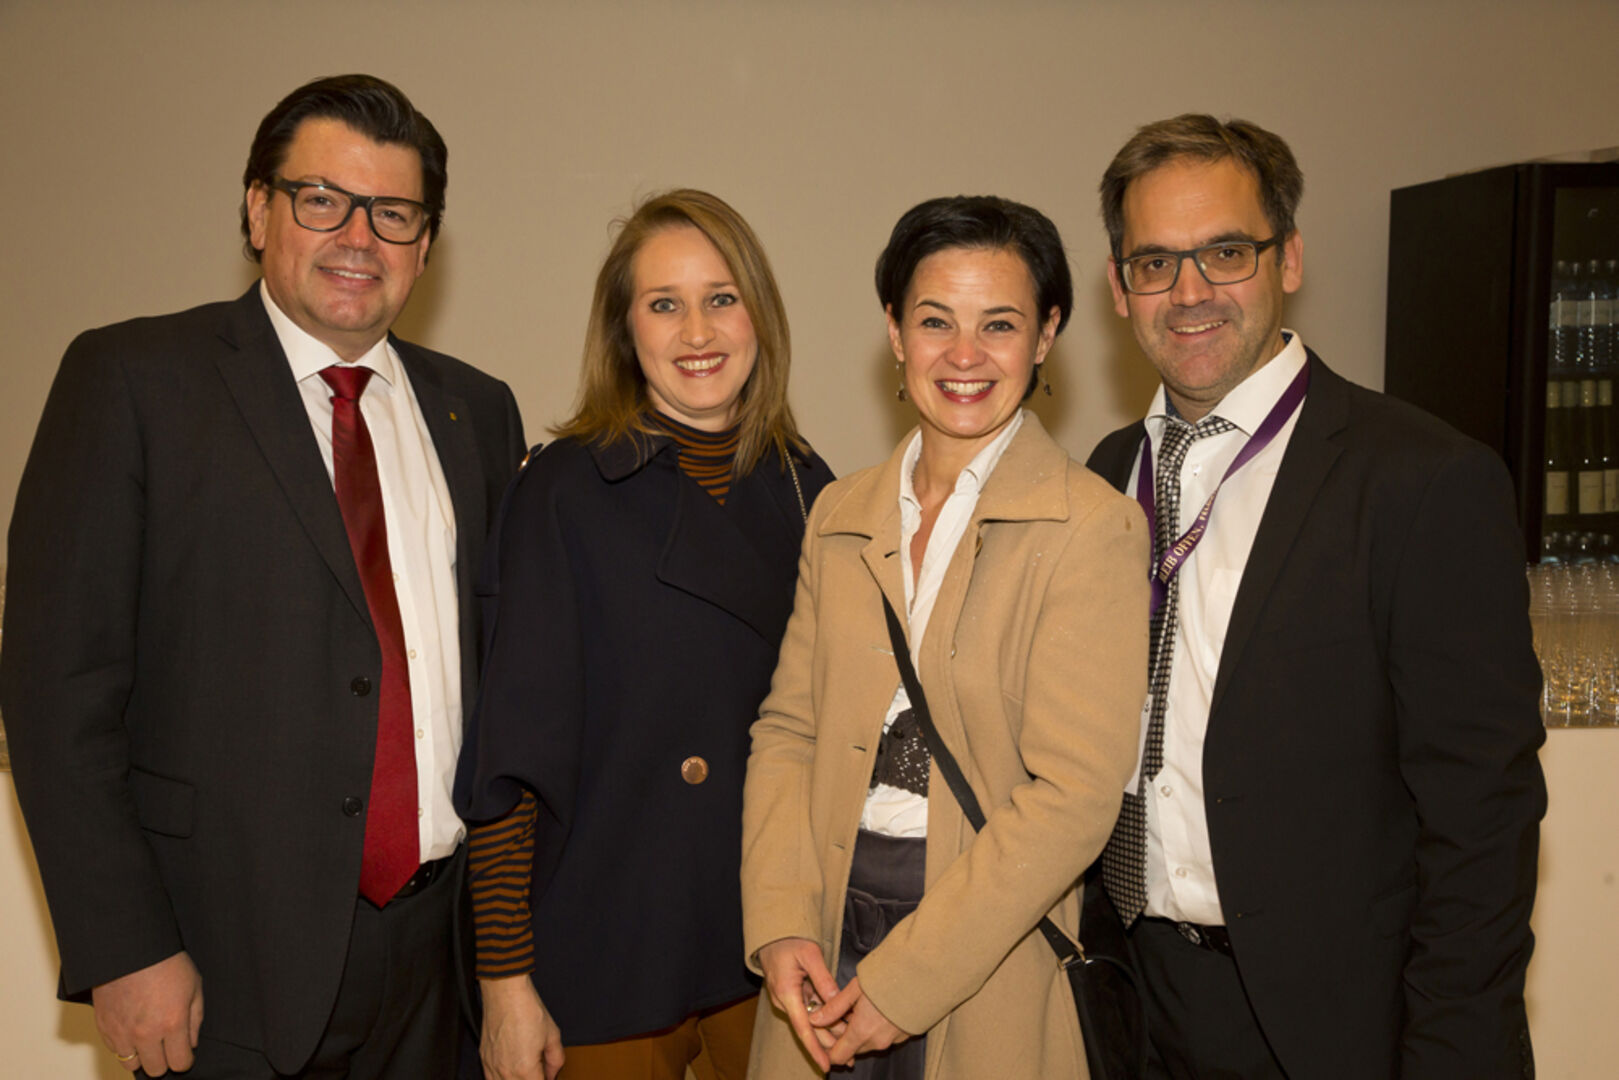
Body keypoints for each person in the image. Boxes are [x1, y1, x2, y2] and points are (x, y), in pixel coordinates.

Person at [0, 74, 526, 1078]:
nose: (358, 237)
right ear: (257, 210)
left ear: (425, 244)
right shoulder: (134, 382)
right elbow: (56, 693)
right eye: (321, 199)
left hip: (435, 965)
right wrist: (126, 946)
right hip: (218, 965)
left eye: (393, 212)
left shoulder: (478, 413)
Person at [1086, 113, 1546, 1078]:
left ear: (1287, 257)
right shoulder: (1105, 473)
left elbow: (1481, 819)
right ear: (1118, 287)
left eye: (1225, 252)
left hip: (1337, 1026)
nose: (1189, 292)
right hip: (1126, 1003)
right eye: (1155, 262)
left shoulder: (1423, 479)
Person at [741, 196, 1149, 1080]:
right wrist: (777, 919)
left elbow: (1074, 796)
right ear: (894, 331)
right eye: (935, 322)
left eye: (998, 324)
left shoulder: (1092, 527)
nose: (964, 356)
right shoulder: (838, 512)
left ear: (1045, 336)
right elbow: (789, 731)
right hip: (822, 922)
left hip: (984, 945)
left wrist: (905, 982)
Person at [454, 188, 833, 1080]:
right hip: (603, 942)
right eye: (664, 304)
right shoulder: (564, 491)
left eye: (720, 298)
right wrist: (504, 983)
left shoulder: (806, 485)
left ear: (758, 314)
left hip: (769, 941)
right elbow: (511, 760)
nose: (697, 331)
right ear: (625, 331)